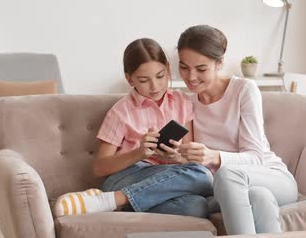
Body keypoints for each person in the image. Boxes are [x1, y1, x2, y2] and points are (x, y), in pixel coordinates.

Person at [53, 38, 213, 218]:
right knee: (203, 175)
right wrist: (140, 152)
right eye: (144, 80)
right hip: (126, 177)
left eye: (160, 76)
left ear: (168, 69)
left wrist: (176, 156)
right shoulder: (121, 111)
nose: (155, 86)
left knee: (196, 206)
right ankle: (111, 199)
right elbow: (99, 168)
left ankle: (118, 203)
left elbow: (189, 158)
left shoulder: (181, 102)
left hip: (166, 176)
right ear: (129, 79)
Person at [173, 25, 298, 234]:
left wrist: (214, 156)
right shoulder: (187, 102)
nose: (191, 76)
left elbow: (256, 157)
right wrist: (177, 155)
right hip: (231, 188)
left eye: (201, 69)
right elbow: (193, 161)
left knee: (228, 174)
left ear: (219, 62)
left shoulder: (243, 90)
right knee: (259, 198)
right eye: (184, 67)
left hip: (270, 175)